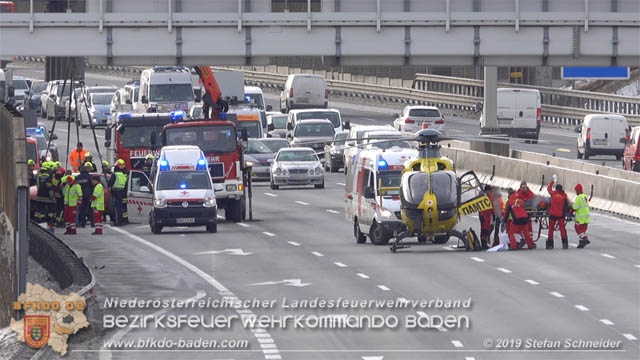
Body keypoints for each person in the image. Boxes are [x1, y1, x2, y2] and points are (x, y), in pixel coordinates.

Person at [547, 176, 570, 249]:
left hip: (553, 214)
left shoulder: (553, 193)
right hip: (561, 215)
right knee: (562, 229)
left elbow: (548, 189)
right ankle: (564, 243)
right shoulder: (564, 195)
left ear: (556, 189)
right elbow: (567, 204)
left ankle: (550, 244)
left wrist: (552, 181)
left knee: (551, 229)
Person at [572, 184, 591, 249]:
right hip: (586, 216)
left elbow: (575, 207)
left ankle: (585, 238)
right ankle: (581, 243)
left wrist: (569, 212)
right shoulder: (585, 196)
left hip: (581, 217)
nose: (575, 192)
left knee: (577, 228)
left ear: (578, 190)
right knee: (582, 231)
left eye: (576, 191)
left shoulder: (578, 198)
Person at [478, 185, 494, 250]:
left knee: (486, 229)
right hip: (484, 215)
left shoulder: (490, 196)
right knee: (483, 230)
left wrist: (493, 214)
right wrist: (481, 216)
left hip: (488, 215)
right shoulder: (483, 197)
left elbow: (491, 206)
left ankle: (485, 244)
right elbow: (480, 208)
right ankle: (483, 244)